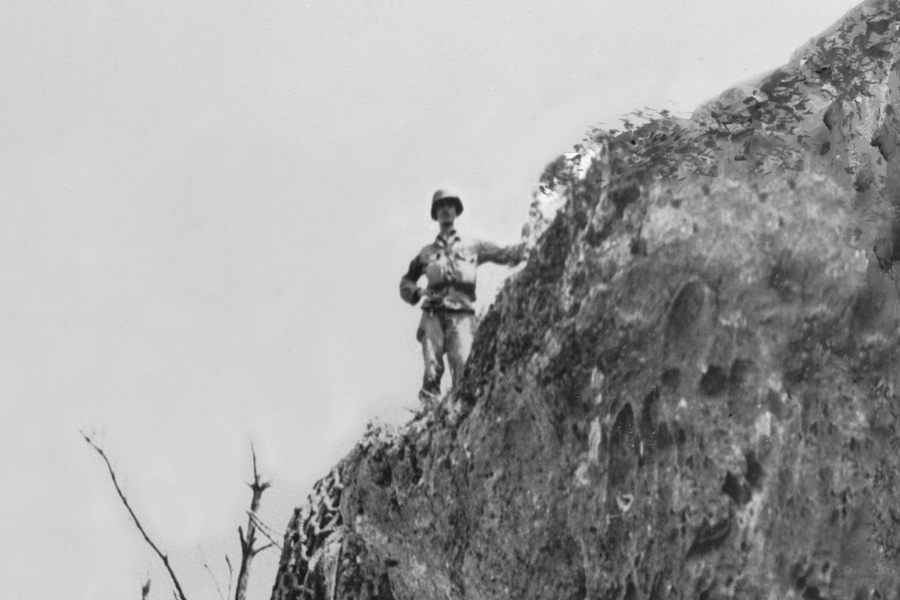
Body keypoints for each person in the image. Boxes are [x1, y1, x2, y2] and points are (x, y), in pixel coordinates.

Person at [400, 189, 526, 408]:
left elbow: (503, 254)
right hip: (433, 312)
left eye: (450, 205)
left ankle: (459, 411)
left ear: (456, 211)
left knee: (464, 365)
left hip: (462, 314)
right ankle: (429, 410)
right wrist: (417, 292)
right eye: (441, 206)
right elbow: (406, 282)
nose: (446, 210)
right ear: (435, 213)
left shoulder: (473, 246)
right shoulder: (426, 253)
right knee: (432, 363)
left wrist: (525, 247)